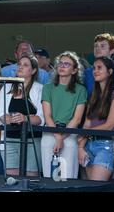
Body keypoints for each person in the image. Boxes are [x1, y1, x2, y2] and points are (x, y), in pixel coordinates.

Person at [78, 56, 114, 181]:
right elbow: (86, 125)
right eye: (94, 68)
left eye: (99, 68)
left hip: (107, 145)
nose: (95, 71)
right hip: (89, 145)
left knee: (96, 185)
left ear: (110, 72)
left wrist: (85, 135)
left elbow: (109, 125)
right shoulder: (93, 97)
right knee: (88, 186)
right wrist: (80, 148)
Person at [41, 51, 87, 179]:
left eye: (67, 64)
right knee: (49, 174)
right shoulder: (48, 88)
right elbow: (47, 116)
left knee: (68, 175)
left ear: (74, 70)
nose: (62, 66)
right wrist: (57, 137)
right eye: (60, 63)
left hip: (70, 132)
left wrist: (62, 137)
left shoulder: (80, 90)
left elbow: (77, 119)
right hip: (50, 130)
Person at [0, 54, 44, 177]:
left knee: (30, 178)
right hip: (10, 139)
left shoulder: (40, 89)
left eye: (25, 65)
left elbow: (41, 118)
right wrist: (7, 118)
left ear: (33, 70)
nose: (20, 67)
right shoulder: (6, 87)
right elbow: (0, 114)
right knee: (11, 179)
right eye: (19, 64)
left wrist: (25, 118)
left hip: (32, 140)